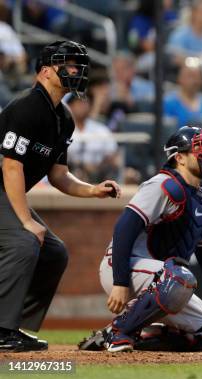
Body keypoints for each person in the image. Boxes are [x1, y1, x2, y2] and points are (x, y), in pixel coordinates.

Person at [78, 126, 202, 352]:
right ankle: (121, 331)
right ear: (179, 157)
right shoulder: (162, 184)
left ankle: (119, 334)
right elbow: (123, 229)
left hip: (166, 281)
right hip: (123, 268)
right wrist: (120, 283)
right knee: (181, 278)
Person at [0, 40, 121, 352]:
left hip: (5, 191)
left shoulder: (63, 117)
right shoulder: (26, 107)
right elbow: (11, 166)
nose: (75, 70)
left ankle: (13, 324)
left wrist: (92, 190)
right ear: (44, 71)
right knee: (26, 240)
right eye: (66, 63)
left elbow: (58, 175)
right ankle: (2, 329)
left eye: (77, 64)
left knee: (55, 253)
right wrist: (26, 221)